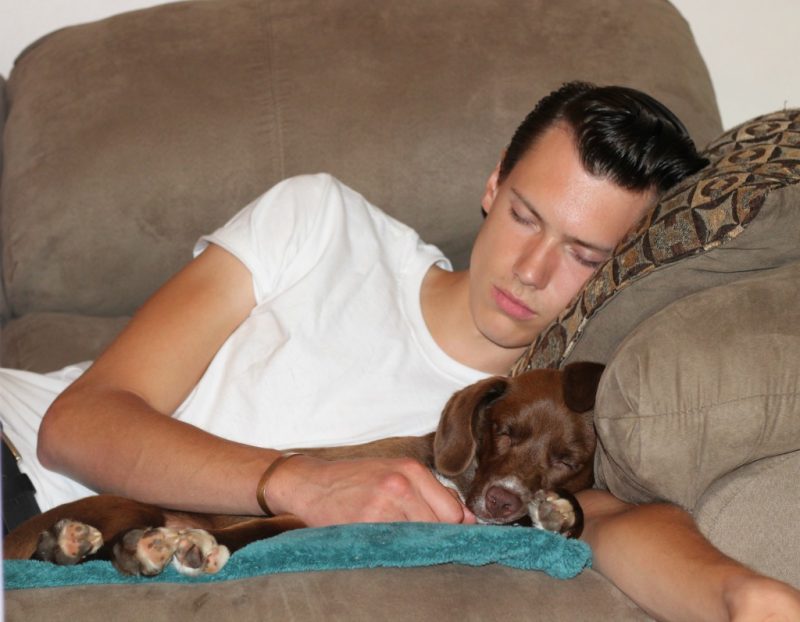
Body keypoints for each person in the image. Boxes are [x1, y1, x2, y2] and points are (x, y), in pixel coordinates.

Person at [1, 82, 798, 621]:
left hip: (101, 542)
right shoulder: (321, 221)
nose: (531, 270)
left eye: (585, 256)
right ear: (491, 186)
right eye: (525, 215)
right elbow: (78, 425)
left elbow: (621, 526)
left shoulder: (531, 426)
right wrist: (296, 482)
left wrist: (744, 595)